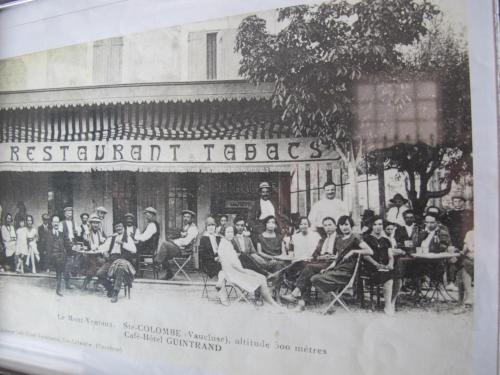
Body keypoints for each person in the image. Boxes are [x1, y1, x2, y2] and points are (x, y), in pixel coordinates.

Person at [310, 216, 374, 311]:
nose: (344, 227)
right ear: (339, 227)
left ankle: (329, 305)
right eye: (342, 225)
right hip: (337, 270)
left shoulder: (355, 238)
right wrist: (328, 269)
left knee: (315, 278)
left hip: (347, 272)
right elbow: (337, 259)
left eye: (346, 224)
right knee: (316, 277)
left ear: (351, 225)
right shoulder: (339, 240)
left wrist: (353, 252)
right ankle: (329, 305)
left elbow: (370, 251)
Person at [217, 225, 282, 310]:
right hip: (235, 274)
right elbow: (233, 265)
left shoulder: (226, 243)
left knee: (261, 277)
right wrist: (245, 272)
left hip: (233, 272)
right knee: (261, 278)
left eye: (232, 232)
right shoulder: (225, 245)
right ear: (223, 233)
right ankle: (273, 305)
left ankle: (271, 304)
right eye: (228, 232)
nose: (230, 234)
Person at [280, 216, 339, 307]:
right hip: (320, 263)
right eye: (325, 225)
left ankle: (295, 294)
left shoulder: (339, 239)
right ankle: (303, 301)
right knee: (308, 270)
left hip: (332, 265)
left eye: (330, 225)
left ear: (335, 226)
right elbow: (315, 254)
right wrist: (319, 257)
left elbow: (342, 254)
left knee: (308, 267)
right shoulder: (323, 240)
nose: (328, 227)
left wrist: (334, 256)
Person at [362, 216, 398, 315]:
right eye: (375, 224)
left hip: (384, 267)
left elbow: (390, 256)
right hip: (371, 266)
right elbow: (365, 256)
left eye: (380, 224)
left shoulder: (386, 240)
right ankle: (387, 305)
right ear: (371, 226)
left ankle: (390, 303)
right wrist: (377, 264)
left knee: (397, 276)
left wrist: (390, 264)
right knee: (388, 276)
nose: (378, 227)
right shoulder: (366, 239)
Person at [96, 222, 137, 303]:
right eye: (116, 226)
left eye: (120, 226)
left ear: (123, 227)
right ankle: (110, 288)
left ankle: (115, 293)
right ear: (114, 228)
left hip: (123, 259)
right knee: (99, 273)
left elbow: (134, 250)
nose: (118, 228)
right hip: (111, 259)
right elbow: (103, 247)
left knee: (120, 269)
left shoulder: (128, 237)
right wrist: (104, 252)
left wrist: (123, 243)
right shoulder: (112, 238)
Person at [155, 209, 198, 280]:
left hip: (185, 251)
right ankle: (169, 274)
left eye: (188, 217)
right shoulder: (187, 227)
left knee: (165, 244)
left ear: (192, 219)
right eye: (184, 217)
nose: (185, 219)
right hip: (180, 248)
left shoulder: (193, 229)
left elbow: (186, 242)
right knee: (164, 252)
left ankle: (157, 263)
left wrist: (175, 241)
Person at [46, 216, 72, 296]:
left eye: (57, 222)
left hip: (62, 255)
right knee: (60, 265)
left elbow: (67, 244)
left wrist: (72, 248)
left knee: (69, 262)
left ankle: (66, 284)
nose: (56, 223)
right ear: (52, 223)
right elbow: (47, 248)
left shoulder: (62, 234)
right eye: (54, 222)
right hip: (53, 257)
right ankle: (58, 289)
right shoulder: (49, 234)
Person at [80, 214, 106, 290]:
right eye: (94, 223)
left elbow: (102, 240)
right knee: (92, 268)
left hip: (97, 255)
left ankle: (97, 283)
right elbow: (87, 244)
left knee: (104, 266)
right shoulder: (87, 233)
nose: (95, 225)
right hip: (89, 255)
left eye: (97, 223)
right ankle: (85, 285)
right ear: (91, 224)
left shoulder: (99, 233)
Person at [453, 229, 474, 314]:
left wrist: (458, 252)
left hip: (472, 260)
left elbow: (464, 250)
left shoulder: (470, 233)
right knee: (463, 267)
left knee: (463, 268)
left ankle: (463, 300)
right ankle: (466, 299)